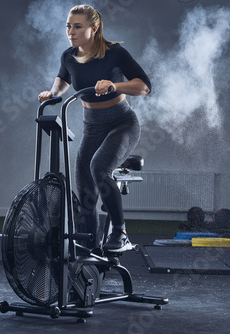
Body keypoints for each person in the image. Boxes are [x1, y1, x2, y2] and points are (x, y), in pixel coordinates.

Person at [38, 5, 151, 252]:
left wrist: (115, 85)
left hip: (122, 124)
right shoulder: (68, 56)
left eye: (77, 26)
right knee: (85, 188)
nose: (71, 31)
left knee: (99, 167)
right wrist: (52, 93)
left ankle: (120, 233)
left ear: (94, 28)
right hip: (93, 128)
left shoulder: (115, 53)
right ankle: (89, 248)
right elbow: (63, 78)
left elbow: (144, 86)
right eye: (68, 26)